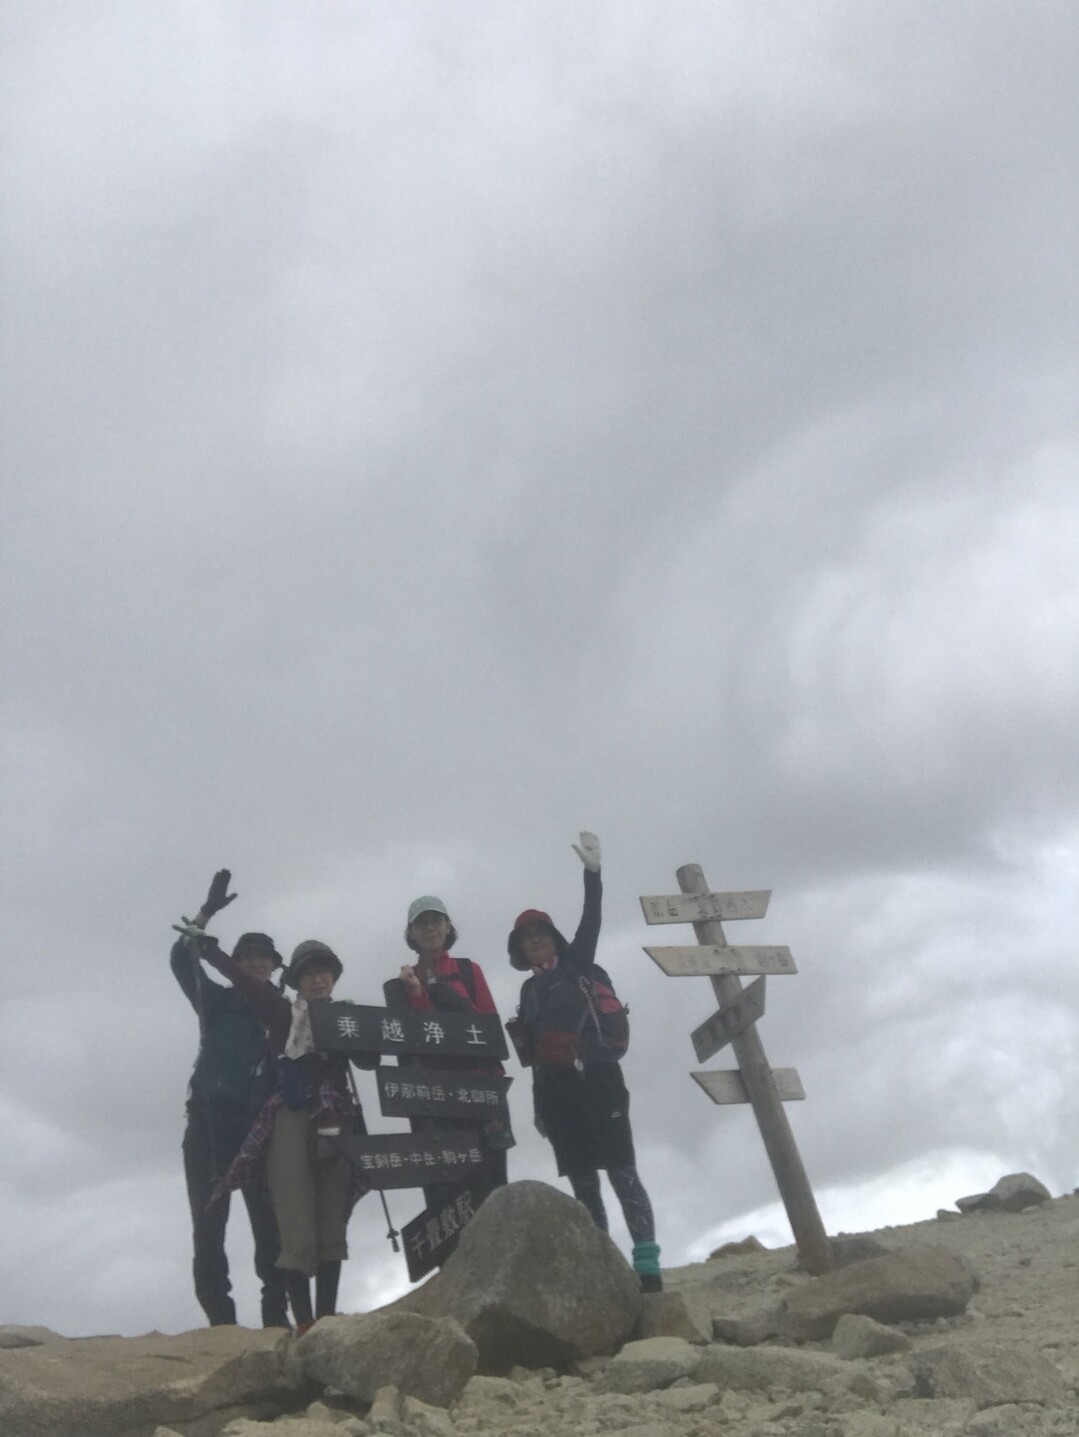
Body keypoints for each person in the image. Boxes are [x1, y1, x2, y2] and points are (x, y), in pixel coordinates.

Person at [507, 832, 662, 1292]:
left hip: (598, 1079)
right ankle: (607, 1272)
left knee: (621, 1170)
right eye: (527, 939)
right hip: (556, 1092)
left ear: (553, 939)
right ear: (521, 949)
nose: (536, 943)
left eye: (540, 935)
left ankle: (648, 1270)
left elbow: (591, 918)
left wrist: (592, 873)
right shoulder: (528, 991)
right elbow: (533, 1056)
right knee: (583, 1183)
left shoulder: (577, 963)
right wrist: (538, 1108)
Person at [201, 932, 377, 1332]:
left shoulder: (345, 1019)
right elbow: (244, 981)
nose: (318, 980)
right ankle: (304, 1325)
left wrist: (356, 1028)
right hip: (291, 1119)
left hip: (338, 1118)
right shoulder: (281, 1013)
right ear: (296, 981)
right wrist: (210, 950)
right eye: (309, 974)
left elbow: (371, 1059)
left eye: (324, 973)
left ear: (334, 978)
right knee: (295, 1224)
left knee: (332, 1222)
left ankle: (327, 1323)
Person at [170, 869, 288, 1327]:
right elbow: (183, 959)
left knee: (271, 1230)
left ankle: (275, 1321)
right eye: (251, 957)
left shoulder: (285, 1013)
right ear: (237, 961)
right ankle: (222, 1325)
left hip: (262, 1129)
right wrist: (206, 912)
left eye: (266, 959)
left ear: (275, 968)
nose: (259, 964)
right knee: (208, 1229)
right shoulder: (216, 1001)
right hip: (208, 1124)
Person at [384, 895, 513, 1217]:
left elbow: (489, 1026)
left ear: (447, 926)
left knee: (494, 1183)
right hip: (435, 1096)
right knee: (446, 1188)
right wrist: (416, 994)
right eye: (421, 923)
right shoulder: (403, 982)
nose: (429, 928)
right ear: (411, 932)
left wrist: (448, 997)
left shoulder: (469, 971)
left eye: (436, 921)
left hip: (481, 1090)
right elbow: (419, 1037)